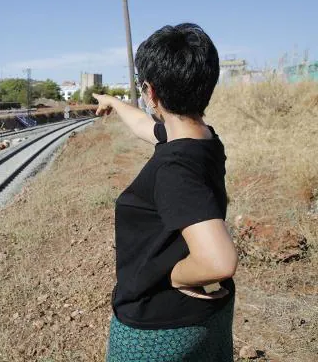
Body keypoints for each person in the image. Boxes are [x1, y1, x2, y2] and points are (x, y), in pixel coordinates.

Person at [94, 23, 238, 362]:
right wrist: (114, 103)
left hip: (159, 328)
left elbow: (219, 261)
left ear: (150, 91)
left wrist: (170, 275)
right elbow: (147, 127)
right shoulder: (201, 138)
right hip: (203, 318)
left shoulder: (175, 168)